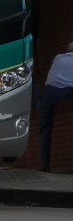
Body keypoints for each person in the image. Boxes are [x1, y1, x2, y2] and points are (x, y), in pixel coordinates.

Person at [39, 41, 73, 171]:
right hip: (66, 92)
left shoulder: (58, 58)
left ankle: (44, 164)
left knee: (44, 126)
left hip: (48, 92)